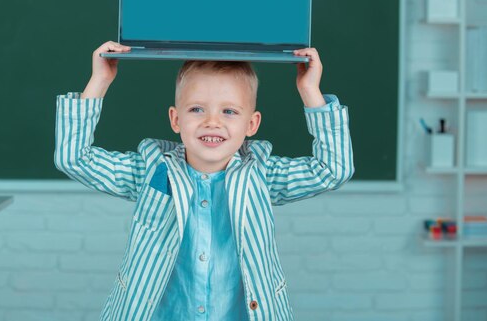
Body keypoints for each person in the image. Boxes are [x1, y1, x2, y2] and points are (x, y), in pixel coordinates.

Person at [55, 41, 354, 321]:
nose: (213, 121)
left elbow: (333, 169)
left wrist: (310, 90)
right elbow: (74, 158)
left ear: (252, 124)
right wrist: (100, 81)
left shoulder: (260, 174)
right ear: (175, 120)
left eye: (229, 111)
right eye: (197, 109)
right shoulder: (152, 169)